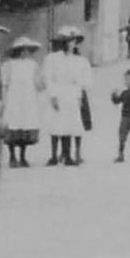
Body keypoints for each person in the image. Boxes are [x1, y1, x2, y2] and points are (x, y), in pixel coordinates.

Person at [44, 29, 89, 166]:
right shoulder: (52, 58)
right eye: (68, 41)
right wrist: (53, 96)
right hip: (58, 91)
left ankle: (67, 155)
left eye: (73, 41)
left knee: (70, 123)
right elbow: (49, 78)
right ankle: (53, 156)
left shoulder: (79, 60)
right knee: (56, 123)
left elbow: (82, 80)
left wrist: (79, 96)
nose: (71, 44)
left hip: (72, 93)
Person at [1, 36, 45, 168]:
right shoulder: (8, 65)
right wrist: (4, 97)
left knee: (25, 125)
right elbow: (5, 83)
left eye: (28, 50)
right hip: (14, 98)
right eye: (23, 50)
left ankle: (23, 156)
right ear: (18, 51)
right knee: (13, 124)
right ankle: (12, 156)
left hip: (28, 98)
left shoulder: (33, 65)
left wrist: (42, 84)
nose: (26, 53)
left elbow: (39, 82)